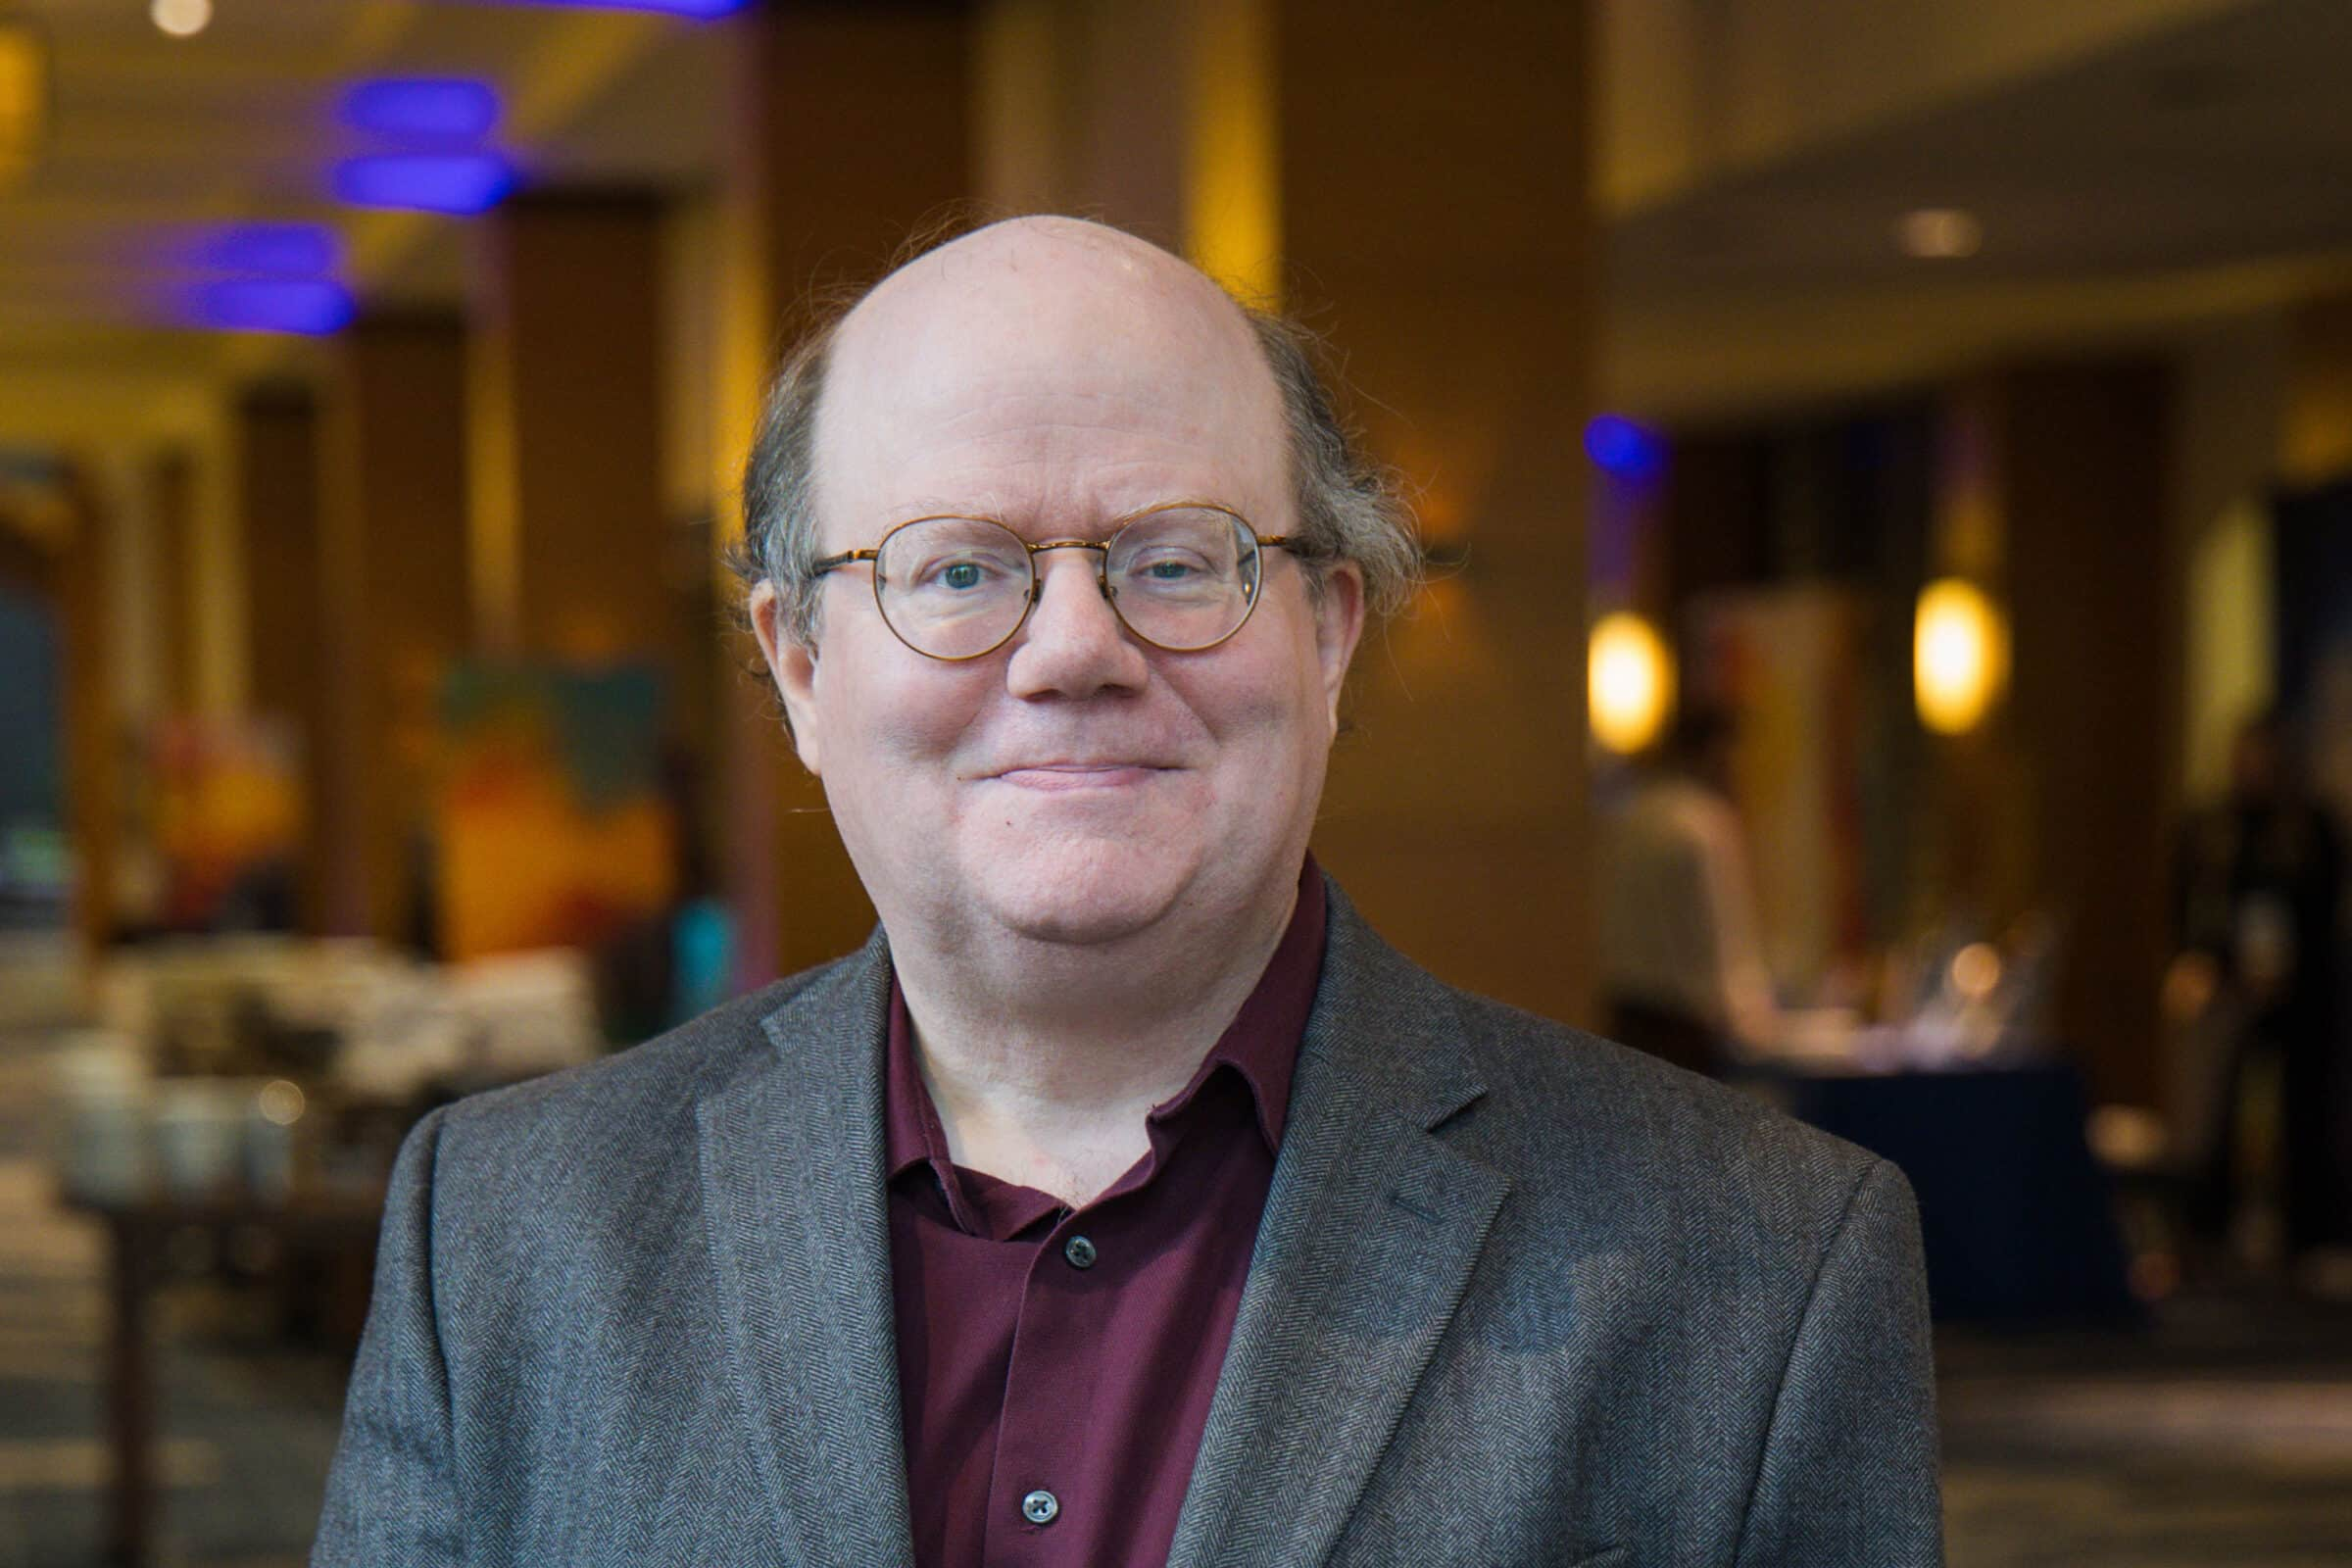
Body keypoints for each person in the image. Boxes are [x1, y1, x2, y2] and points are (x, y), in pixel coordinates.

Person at [313, 217, 1940, 1567]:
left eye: (1176, 558)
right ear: (800, 667)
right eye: (957, 571)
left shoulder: (1756, 1266)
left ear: (1326, 636)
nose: (1078, 650)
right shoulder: (509, 1237)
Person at [2172, 708, 2348, 1271]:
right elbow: (2186, 900)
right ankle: (2209, 1229)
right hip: (2230, 987)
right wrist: (2198, 962)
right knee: (2217, 1109)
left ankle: (2308, 1232)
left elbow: (2328, 906)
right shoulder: (2214, 826)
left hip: (2302, 992)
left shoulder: (2309, 827)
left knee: (2304, 1109)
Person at [1598, 704, 1782, 1076]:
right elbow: (1721, 935)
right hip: (1685, 1027)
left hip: (1625, 1013)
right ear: (1717, 753)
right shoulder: (1703, 827)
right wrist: (1754, 1020)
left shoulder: (1633, 817)